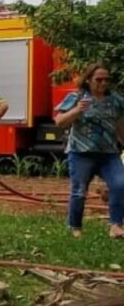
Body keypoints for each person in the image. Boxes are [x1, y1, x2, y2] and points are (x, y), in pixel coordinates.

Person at [54, 63, 124, 239]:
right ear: (88, 80)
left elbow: (119, 125)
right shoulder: (77, 97)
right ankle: (75, 227)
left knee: (120, 184)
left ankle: (116, 225)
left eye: (107, 80)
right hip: (81, 153)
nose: (103, 83)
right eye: (98, 80)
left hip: (109, 153)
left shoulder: (116, 100)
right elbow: (60, 121)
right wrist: (77, 110)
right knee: (79, 191)